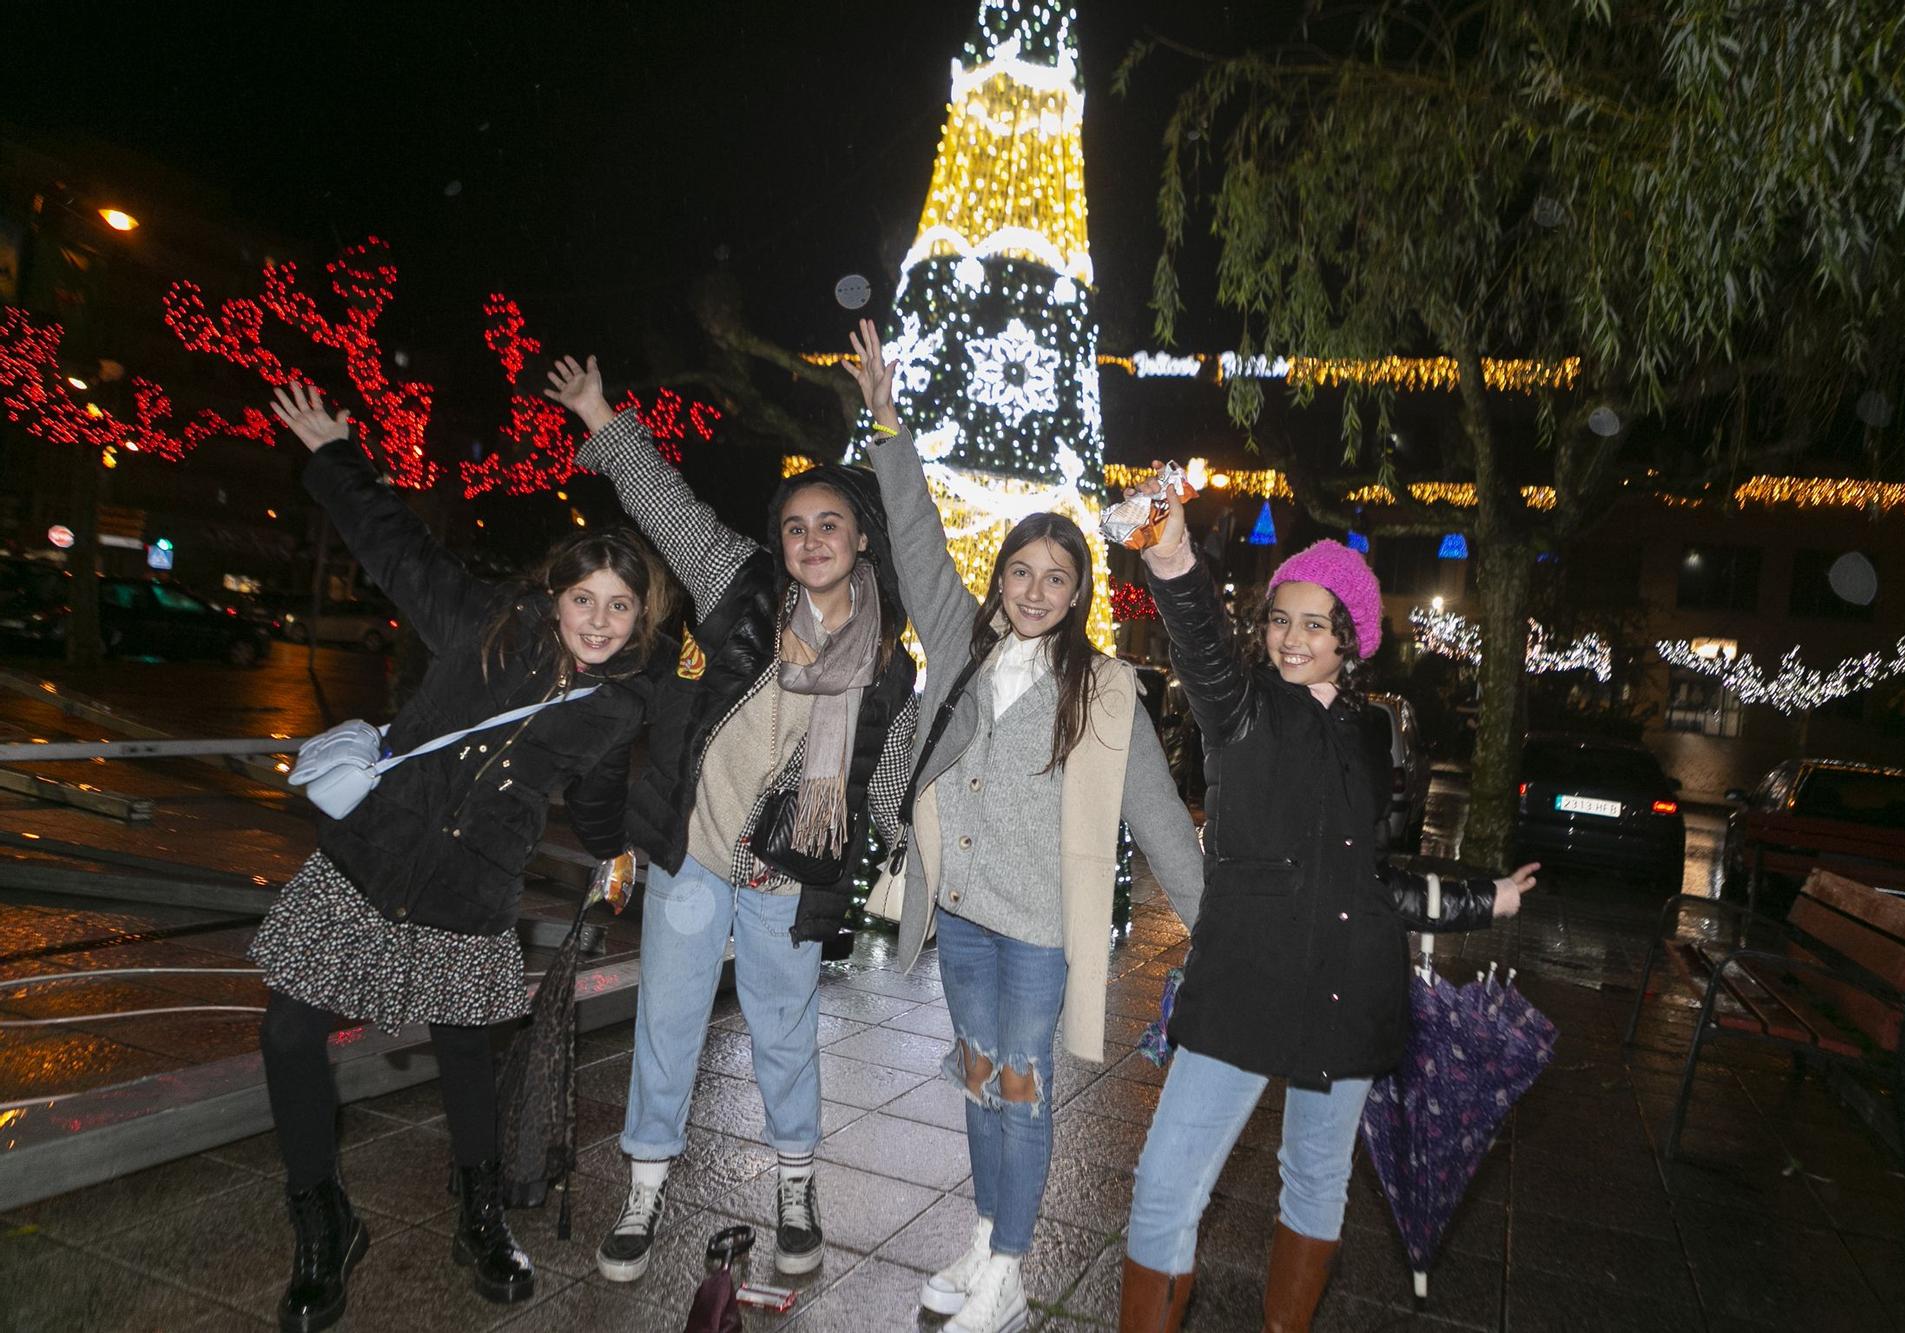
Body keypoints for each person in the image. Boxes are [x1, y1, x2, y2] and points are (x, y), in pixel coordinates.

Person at [253, 383, 674, 1332]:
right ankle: (322, 1220)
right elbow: (397, 548)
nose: (600, 621)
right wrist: (332, 456)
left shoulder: (619, 706)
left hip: (470, 888)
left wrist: (617, 854)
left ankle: (479, 1214)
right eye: (584, 599)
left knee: (465, 1051)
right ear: (554, 595)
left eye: (620, 605)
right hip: (373, 858)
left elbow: (600, 801)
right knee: (288, 1033)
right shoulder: (486, 621)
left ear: (639, 614)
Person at [844, 320, 1206, 1333]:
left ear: (1078, 591)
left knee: (1021, 1084)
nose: (1035, 590)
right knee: (973, 1074)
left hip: (1039, 926)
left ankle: (1007, 1266)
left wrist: (1217, 922)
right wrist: (884, 419)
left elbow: (1160, 818)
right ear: (998, 579)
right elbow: (912, 532)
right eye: (1020, 573)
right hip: (958, 909)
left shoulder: (1104, 689)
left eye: (1056, 577)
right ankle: (981, 1230)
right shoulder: (960, 645)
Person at [1115, 481, 1539, 1333]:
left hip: (1350, 984)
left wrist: (1477, 898)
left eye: (1317, 623)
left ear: (1352, 639)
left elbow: (1370, 879)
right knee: (1165, 1184)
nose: (1292, 637)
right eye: (1281, 619)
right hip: (1245, 978)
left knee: (1314, 1177)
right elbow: (1199, 638)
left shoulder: (1372, 735)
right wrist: (1170, 550)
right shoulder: (1240, 709)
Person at [545, 355, 919, 1282]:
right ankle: (644, 1186)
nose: (812, 537)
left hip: (791, 874)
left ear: (862, 539)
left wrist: (921, 856)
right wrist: (598, 409)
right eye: (796, 526)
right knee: (666, 1021)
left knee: (783, 1026)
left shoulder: (886, 662)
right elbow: (666, 506)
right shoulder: (741, 590)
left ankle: (796, 1182)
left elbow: (899, 775)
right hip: (694, 851)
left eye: (831, 523)